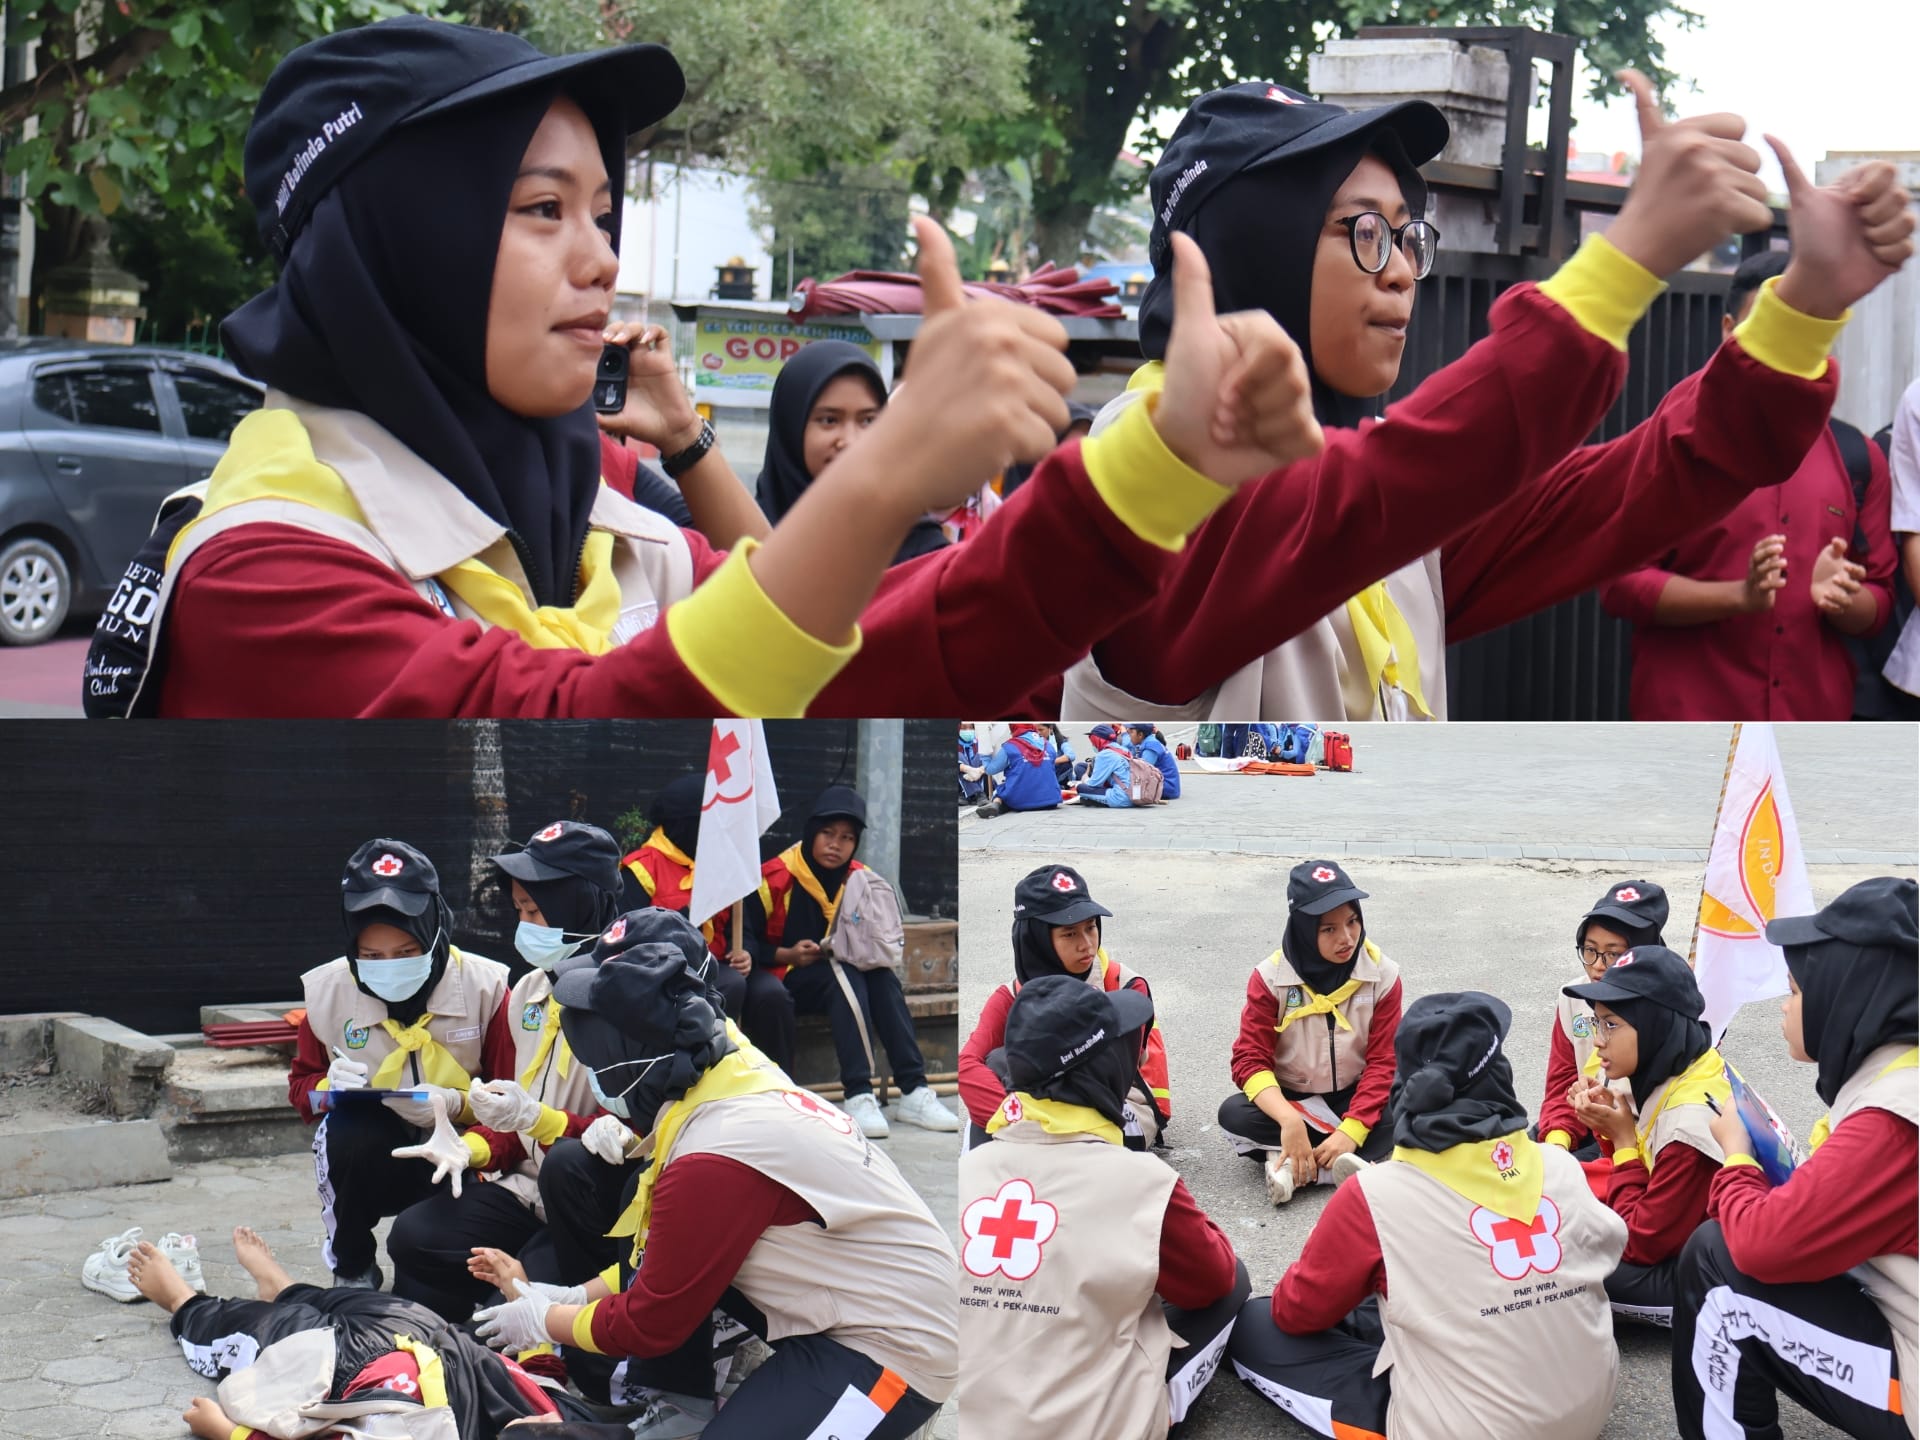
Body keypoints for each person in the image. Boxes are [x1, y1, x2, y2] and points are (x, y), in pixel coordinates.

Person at [138, 23, 1411, 721]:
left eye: (605, 211)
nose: (600, 259)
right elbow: (587, 731)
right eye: (540, 210)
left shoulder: (615, 536)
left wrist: (1159, 467)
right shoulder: (262, 569)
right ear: (399, 247)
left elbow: (886, 652)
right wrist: (887, 475)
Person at [1057, 75, 1916, 721]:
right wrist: (1629, 256)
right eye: (1363, 230)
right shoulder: (1144, 465)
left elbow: (1639, 486)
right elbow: (1413, 473)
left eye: (1407, 235)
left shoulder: (1377, 508)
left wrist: (1805, 308)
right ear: (1252, 247)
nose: (1401, 271)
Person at [469, 939, 959, 1440]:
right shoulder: (724, 1076)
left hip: (895, 1348)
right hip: (843, 1304)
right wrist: (576, 1294)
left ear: (627, 1063)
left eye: (592, 1061)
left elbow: (651, 1321)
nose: (591, 1076)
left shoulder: (713, 1154)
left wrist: (545, 1320)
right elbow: (670, 1261)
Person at [1229, 992, 1628, 1440]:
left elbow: (1296, 1313)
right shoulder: (1559, 1164)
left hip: (1471, 1431)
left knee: (1255, 1325)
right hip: (1590, 1407)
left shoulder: (1374, 1195)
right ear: (1500, 1076)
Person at [1599, 249, 1897, 719]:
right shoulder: (1671, 444)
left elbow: (1880, 602)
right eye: (1766, 327)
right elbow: (1619, 584)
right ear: (1728, 330)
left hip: (1809, 730)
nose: (1782, 346)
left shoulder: (1859, 458)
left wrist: (1843, 599)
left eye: (1800, 329)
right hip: (1691, 726)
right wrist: (1739, 596)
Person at [1671, 877, 1918, 1440]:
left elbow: (1760, 1246)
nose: (1785, 1008)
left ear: (1844, 998)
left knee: (1716, 1263)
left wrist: (1738, 1158)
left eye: (1796, 991)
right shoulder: (1903, 1066)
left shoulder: (1894, 1118)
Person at [959, 975, 1248, 1437]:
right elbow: (1211, 1281)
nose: (1138, 1059)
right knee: (1232, 1280)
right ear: (1101, 1072)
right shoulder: (1143, 1182)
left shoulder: (970, 1169)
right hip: (1093, 1428)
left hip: (977, 1423)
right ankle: (1160, 1411)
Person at [384, 821, 621, 1320]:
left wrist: (539, 1121)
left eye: (534, 911)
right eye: (519, 911)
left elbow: (625, 1139)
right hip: (525, 1190)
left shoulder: (627, 996)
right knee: (412, 1236)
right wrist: (469, 1147)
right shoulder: (530, 991)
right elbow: (512, 1117)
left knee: (512, 1304)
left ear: (579, 904)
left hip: (591, 1204)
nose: (524, 925)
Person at [287, 839, 516, 1290]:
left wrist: (454, 1105)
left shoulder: (486, 988)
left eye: (406, 952)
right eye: (372, 957)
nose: (388, 966)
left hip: (463, 1151)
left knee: (433, 1292)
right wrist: (327, 1089)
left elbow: (515, 1099)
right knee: (345, 1132)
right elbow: (301, 1095)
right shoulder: (327, 994)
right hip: (376, 1157)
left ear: (434, 929)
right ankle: (352, 1267)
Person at [119, 1225, 581, 1437]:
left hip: (337, 1366)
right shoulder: (552, 1416)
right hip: (427, 1331)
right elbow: (544, 1376)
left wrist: (229, 1434)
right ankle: (282, 1286)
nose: (542, 1424)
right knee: (344, 1299)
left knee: (250, 1327)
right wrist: (521, 1298)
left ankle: (182, 1300)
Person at [740, 786, 958, 1138]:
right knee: (844, 976)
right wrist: (787, 954)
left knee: (882, 979)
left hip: (841, 980)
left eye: (847, 837)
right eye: (827, 834)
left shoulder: (860, 878)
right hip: (783, 976)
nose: (835, 845)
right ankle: (858, 1093)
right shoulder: (774, 877)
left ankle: (914, 1090)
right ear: (811, 832)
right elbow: (745, 942)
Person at [1561, 943, 1730, 1325]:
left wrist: (1622, 1141)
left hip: (1712, 1271)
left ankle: (1701, 1310)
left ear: (1657, 1026)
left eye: (1611, 1024)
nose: (1598, 1040)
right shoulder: (1693, 1064)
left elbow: (1639, 1242)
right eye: (1597, 1022)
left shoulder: (1688, 1127)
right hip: (1682, 1230)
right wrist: (1608, 1127)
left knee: (1561, 1264)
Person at [1219, 861, 1401, 1203]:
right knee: (1233, 1115)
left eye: (1352, 921)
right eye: (1328, 929)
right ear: (1303, 930)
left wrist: (1352, 1129)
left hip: (1354, 1094)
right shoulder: (1270, 978)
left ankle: (1293, 1166)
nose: (1347, 938)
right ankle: (1341, 1163)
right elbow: (1249, 1059)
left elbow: (1383, 1061)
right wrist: (1289, 1120)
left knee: (1404, 1106)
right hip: (1294, 1098)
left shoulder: (1382, 974)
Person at [957, 865, 1171, 1149]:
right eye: (1069, 934)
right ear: (1036, 940)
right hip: (1041, 1110)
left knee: (1006, 1072)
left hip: (1119, 1108)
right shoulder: (1010, 995)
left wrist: (1030, 1119)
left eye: (1091, 927)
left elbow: (1107, 1078)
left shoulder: (1124, 987)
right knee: (994, 1072)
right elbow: (967, 1065)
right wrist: (1011, 1116)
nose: (1087, 944)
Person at [617, 774, 794, 1063]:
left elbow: (745, 928)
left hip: (723, 963)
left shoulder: (724, 861)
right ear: (685, 825)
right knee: (730, 985)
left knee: (772, 995)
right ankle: (711, 1071)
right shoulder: (641, 868)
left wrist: (746, 953)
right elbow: (631, 938)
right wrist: (694, 912)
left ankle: (779, 1079)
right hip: (671, 973)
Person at [754, 340, 948, 566]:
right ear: (790, 429)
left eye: (867, 421)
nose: (851, 441)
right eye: (829, 420)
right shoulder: (743, 536)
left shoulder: (917, 546)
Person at [1536, 880, 1670, 1156]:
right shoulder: (1573, 997)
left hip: (1637, 1139)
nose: (1597, 965)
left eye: (1613, 954)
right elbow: (1562, 1082)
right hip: (1586, 1119)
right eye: (1590, 950)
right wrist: (1557, 1143)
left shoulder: (1668, 1010)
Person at [968, 724, 1063, 818]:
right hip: (1052, 800)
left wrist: (985, 756)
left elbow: (990, 770)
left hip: (1020, 801)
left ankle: (996, 803)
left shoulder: (1010, 747)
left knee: (1002, 788)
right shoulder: (1048, 745)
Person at [1073, 723, 1137, 807]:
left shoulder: (1104, 754)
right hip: (1135, 796)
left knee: (1081, 788)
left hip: (1121, 798)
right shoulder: (1123, 750)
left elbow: (1094, 784)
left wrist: (1084, 778)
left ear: (1098, 740)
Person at [1125, 721, 1181, 799]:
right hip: (1167, 785)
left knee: (1124, 792)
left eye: (1131, 732)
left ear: (1140, 735)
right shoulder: (1149, 741)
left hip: (1167, 787)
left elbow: (1142, 771)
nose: (1129, 736)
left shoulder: (1150, 747)